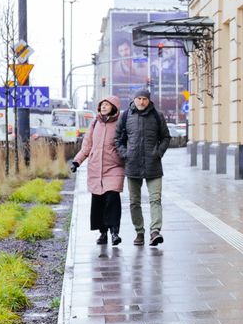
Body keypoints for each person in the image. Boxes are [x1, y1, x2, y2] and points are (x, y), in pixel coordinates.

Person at [113, 88, 171, 247]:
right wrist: (126, 154)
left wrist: (158, 153)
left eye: (144, 99)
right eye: (138, 98)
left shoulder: (157, 116)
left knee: (155, 199)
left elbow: (166, 137)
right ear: (134, 99)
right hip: (132, 166)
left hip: (153, 165)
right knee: (134, 202)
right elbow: (117, 139)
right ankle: (139, 232)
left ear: (149, 100)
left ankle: (155, 232)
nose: (141, 101)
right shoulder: (125, 116)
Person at [70, 96, 126, 246]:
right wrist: (77, 161)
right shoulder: (95, 123)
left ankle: (115, 232)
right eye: (102, 105)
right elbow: (87, 146)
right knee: (99, 201)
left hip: (114, 166)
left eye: (107, 104)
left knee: (112, 198)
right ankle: (103, 233)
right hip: (96, 167)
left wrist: (124, 157)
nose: (103, 107)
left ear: (114, 107)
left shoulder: (121, 123)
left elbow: (126, 143)